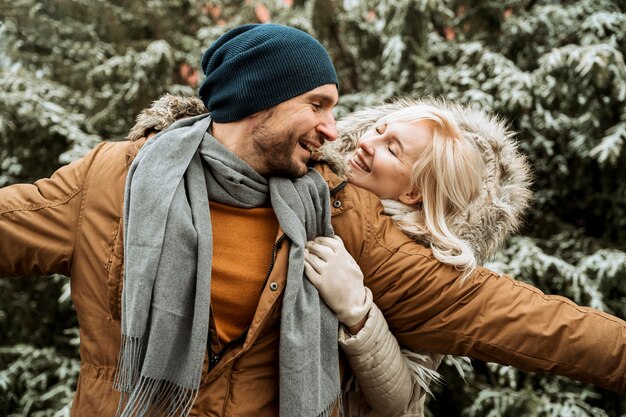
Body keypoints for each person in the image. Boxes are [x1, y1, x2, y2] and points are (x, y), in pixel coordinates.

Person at [1, 23, 625, 417]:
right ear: (258, 100)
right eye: (318, 104)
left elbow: (517, 318)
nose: (336, 128)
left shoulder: (338, 213)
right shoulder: (115, 179)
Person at [303, 98, 532, 416]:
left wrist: (358, 312)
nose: (367, 142)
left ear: (413, 193)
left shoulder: (434, 265)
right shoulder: (310, 171)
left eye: (392, 150)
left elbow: (401, 400)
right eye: (379, 129)